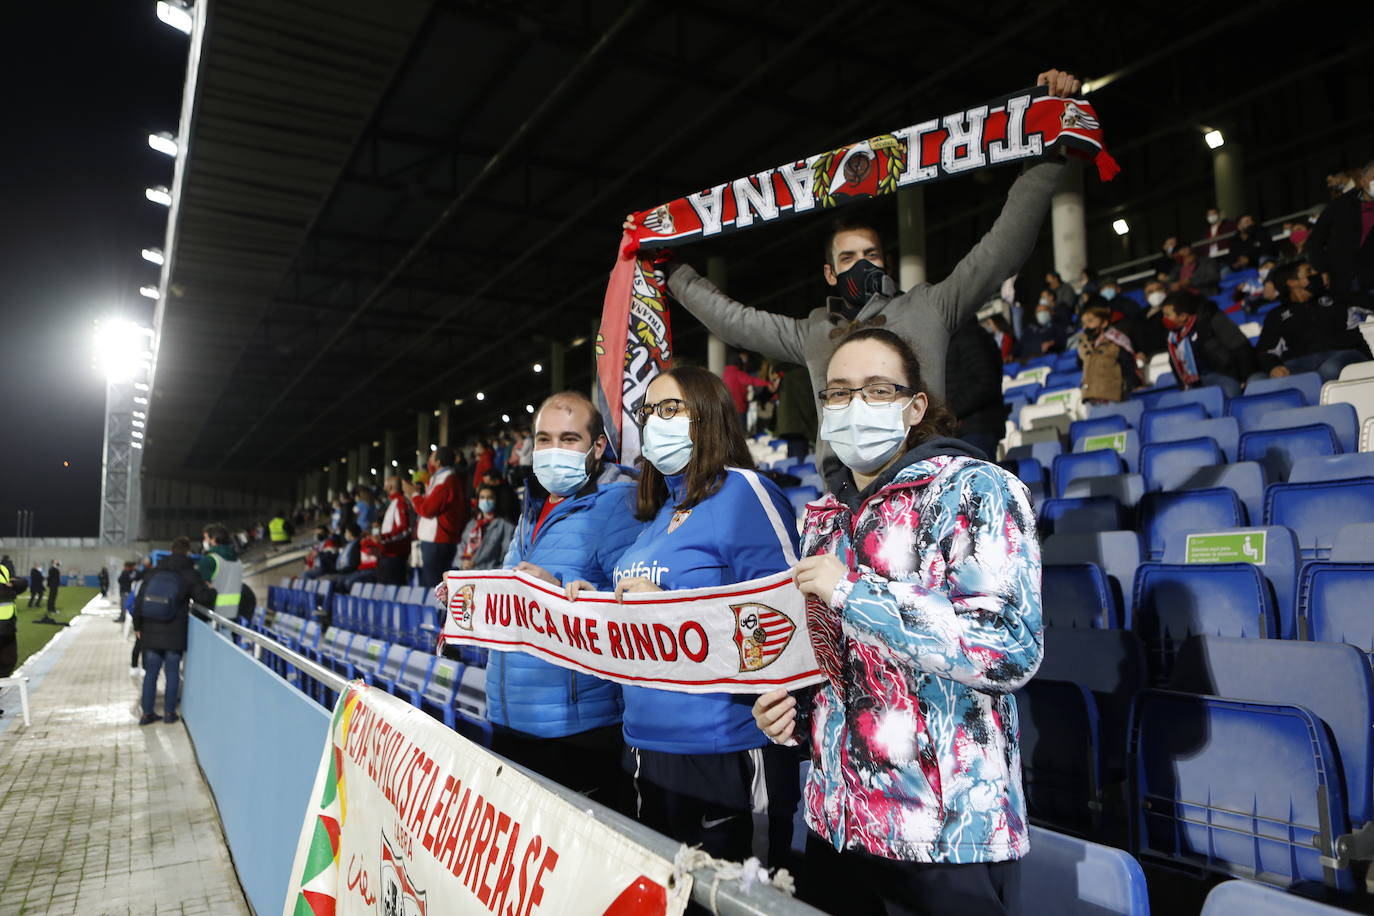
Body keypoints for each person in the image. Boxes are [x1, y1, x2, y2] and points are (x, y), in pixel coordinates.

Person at [632, 68, 1083, 460]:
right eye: (847, 258)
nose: (861, 266)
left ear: (885, 261)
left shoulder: (931, 307)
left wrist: (1048, 148)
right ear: (830, 274)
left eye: (870, 255)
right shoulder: (811, 333)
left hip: (925, 477)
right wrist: (668, 270)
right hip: (845, 490)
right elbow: (734, 320)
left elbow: (1003, 246)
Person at [752, 327, 1041, 916]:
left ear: (914, 407)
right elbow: (845, 667)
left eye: (876, 389)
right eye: (838, 392)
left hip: (944, 838)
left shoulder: (976, 489)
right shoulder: (825, 517)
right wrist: (799, 713)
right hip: (836, 826)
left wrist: (856, 593)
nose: (854, 405)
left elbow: (1009, 647)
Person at [565, 366, 801, 865]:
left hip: (724, 749)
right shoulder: (652, 521)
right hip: (643, 748)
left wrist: (672, 608)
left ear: (709, 416)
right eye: (649, 412)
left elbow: (787, 616)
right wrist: (595, 600)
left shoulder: (744, 492)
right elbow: (639, 610)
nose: (655, 422)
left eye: (671, 409)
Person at [453, 390, 644, 811]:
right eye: (544, 439)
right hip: (509, 716)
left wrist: (556, 589)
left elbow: (634, 609)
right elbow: (507, 588)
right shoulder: (530, 508)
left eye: (569, 439)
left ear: (596, 447)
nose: (554, 450)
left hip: (576, 730)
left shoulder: (618, 506)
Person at [132, 537, 209, 726]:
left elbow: (140, 600)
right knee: (172, 672)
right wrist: (210, 589)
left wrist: (137, 626)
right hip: (175, 630)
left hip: (150, 628)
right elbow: (204, 598)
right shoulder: (190, 574)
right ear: (188, 552)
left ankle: (147, 714)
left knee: (151, 673)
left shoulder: (154, 571)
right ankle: (168, 713)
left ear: (170, 551)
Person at [1253, 262, 1372, 381]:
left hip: (1345, 354)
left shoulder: (1338, 298)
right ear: (1292, 282)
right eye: (1309, 271)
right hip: (1301, 363)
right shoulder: (1276, 315)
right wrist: (1273, 367)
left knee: (1330, 368)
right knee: (1257, 380)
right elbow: (1264, 351)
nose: (1316, 273)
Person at [1161, 289, 1253, 397]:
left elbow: (1241, 347)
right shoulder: (1173, 338)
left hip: (1226, 375)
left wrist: (1244, 378)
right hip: (1195, 383)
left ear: (1183, 316)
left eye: (1168, 315)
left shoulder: (1211, 321)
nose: (1164, 319)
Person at [1307, 159, 1374, 306]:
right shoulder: (1340, 205)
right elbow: (1315, 240)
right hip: (1344, 283)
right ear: (1363, 182)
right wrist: (1322, 269)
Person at [404, 446, 469, 589]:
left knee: (434, 587)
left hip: (438, 540)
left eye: (431, 458)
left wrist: (413, 495)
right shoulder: (441, 478)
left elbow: (428, 509)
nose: (429, 461)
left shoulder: (446, 479)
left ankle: (436, 612)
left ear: (438, 462)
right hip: (435, 540)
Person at [945, 320, 1009, 459]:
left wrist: (950, 412)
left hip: (974, 429)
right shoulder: (953, 337)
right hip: (962, 429)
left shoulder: (969, 336)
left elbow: (986, 383)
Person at [1078, 304, 1140, 403]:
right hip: (1091, 398)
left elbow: (1128, 367)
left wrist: (1135, 385)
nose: (1086, 326)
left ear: (1104, 323)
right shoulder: (1083, 345)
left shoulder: (1116, 342)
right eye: (1083, 323)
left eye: (1090, 321)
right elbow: (1081, 365)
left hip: (1113, 397)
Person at [456, 484, 516, 570]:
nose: (486, 501)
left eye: (490, 498)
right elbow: (461, 546)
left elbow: (508, 559)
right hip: (466, 573)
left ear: (496, 500)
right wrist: (462, 563)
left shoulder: (506, 527)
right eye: (482, 497)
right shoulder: (472, 524)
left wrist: (490, 571)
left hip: (488, 576)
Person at [373, 475, 414, 586]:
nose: (384, 488)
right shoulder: (395, 502)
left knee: (392, 589)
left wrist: (383, 538)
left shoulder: (400, 502)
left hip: (395, 554)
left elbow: (404, 528)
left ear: (390, 486)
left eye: (385, 485)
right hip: (389, 553)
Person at [196, 524, 243, 620]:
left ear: (213, 539)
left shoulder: (209, 560)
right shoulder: (238, 561)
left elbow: (200, 589)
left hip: (212, 615)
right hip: (233, 615)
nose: (204, 541)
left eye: (205, 538)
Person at [721, 350, 773, 431]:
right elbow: (752, 381)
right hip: (739, 409)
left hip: (727, 409)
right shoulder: (739, 374)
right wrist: (767, 383)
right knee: (741, 433)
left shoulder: (725, 374)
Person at [0, 561, 26, 686]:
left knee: (9, 660)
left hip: (8, 625)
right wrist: (9, 589)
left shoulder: (3, 569)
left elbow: (22, 583)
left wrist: (13, 584)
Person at [1019, 292, 1067, 358]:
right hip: (1029, 360)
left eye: (1044, 311)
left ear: (1051, 312)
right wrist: (1012, 354)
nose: (1041, 314)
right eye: (1038, 312)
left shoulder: (1058, 325)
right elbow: (1020, 344)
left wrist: (1053, 342)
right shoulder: (1030, 329)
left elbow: (1064, 339)